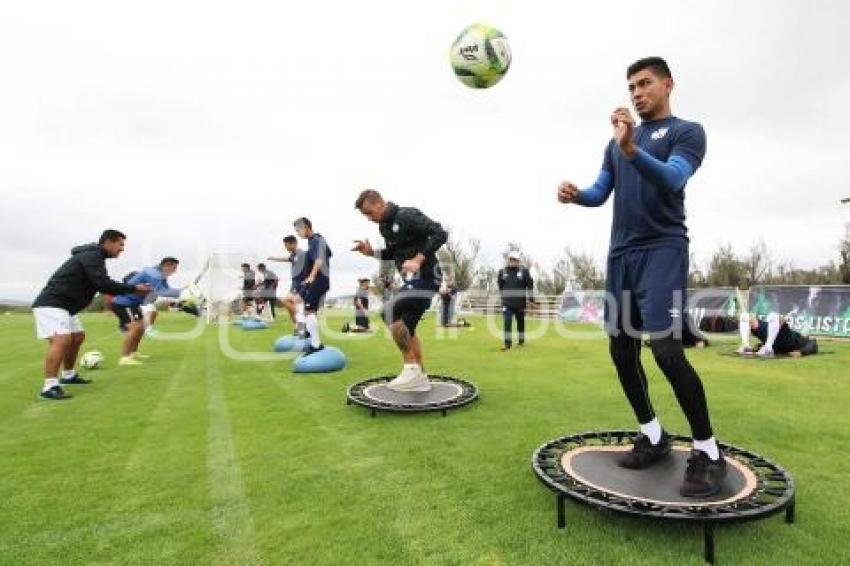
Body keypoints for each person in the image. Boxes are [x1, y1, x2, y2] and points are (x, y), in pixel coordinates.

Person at [557, 57, 725, 497]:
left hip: (663, 250)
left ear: (668, 84)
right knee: (620, 350)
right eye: (631, 86)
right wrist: (577, 196)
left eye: (645, 83)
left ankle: (708, 451)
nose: (636, 92)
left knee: (667, 352)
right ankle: (652, 435)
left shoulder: (687, 132)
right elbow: (600, 192)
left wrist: (633, 149)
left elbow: (672, 179)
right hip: (621, 255)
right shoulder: (615, 143)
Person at [31, 230, 151, 400]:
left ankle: (69, 375)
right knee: (62, 340)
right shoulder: (92, 256)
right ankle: (49, 387)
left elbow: (101, 283)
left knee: (77, 337)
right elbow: (102, 283)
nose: (122, 249)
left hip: (67, 307)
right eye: (120, 244)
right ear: (108, 242)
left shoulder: (96, 257)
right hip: (52, 304)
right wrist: (134, 288)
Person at [352, 189, 448, 392]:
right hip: (412, 280)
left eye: (370, 213)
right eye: (365, 216)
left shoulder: (406, 215)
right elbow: (393, 253)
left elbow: (440, 233)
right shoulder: (384, 228)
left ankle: (411, 369)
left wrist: (418, 259)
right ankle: (420, 376)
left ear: (380, 203)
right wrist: (371, 252)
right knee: (407, 328)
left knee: (388, 311)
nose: (369, 219)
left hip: (428, 276)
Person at [110, 257, 183, 366]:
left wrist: (181, 293)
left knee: (141, 328)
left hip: (132, 304)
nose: (174, 271)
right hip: (124, 303)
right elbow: (161, 291)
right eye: (173, 268)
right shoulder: (154, 274)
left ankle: (133, 353)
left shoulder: (161, 275)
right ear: (166, 265)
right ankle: (124, 358)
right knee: (135, 328)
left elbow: (167, 290)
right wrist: (183, 291)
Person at [294, 217, 332, 355]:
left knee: (309, 310)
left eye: (298, 230)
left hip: (319, 280)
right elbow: (328, 253)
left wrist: (312, 276)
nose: (298, 233)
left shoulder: (317, 239)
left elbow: (320, 259)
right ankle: (307, 333)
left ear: (306, 227)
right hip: (316, 279)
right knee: (299, 300)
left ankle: (316, 345)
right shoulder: (314, 241)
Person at [268, 235, 308, 334]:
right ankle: (296, 327)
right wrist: (273, 258)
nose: (285, 248)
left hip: (300, 284)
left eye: (286, 245)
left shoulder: (301, 254)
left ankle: (302, 322)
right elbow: (288, 259)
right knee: (290, 304)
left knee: (286, 300)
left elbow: (309, 268)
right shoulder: (293, 255)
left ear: (293, 243)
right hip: (294, 284)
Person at [497, 251, 535, 351]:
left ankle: (521, 340)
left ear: (518, 261)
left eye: (515, 260)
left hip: (520, 303)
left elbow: (530, 285)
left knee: (520, 322)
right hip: (507, 303)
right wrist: (503, 297)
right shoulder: (502, 272)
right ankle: (507, 344)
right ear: (508, 260)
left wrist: (531, 299)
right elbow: (500, 285)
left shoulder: (524, 271)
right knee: (507, 322)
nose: (513, 261)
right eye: (511, 259)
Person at [738, 312, 818, 357]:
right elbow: (813, 345)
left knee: (745, 317)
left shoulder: (806, 341)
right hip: (784, 335)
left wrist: (801, 352)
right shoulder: (802, 338)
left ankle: (751, 346)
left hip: (781, 338)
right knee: (744, 317)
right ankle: (746, 345)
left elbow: (813, 344)